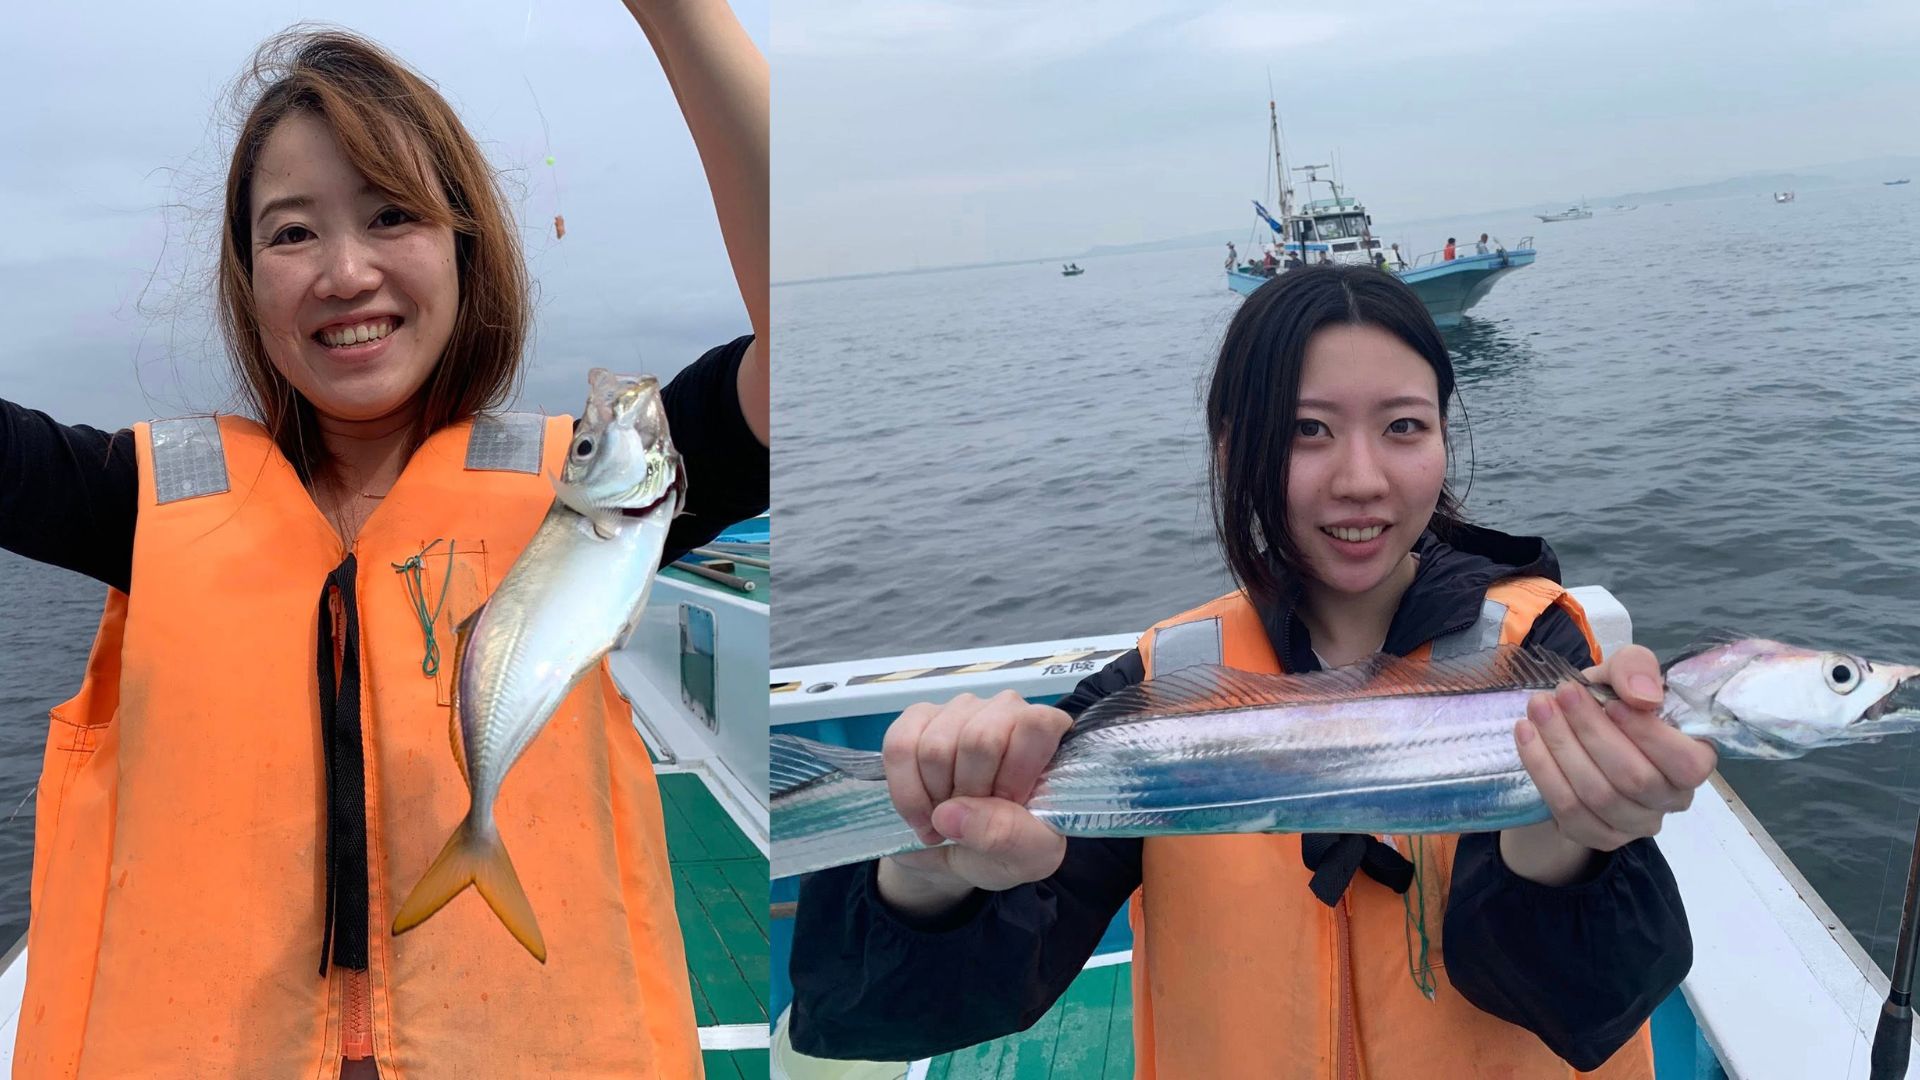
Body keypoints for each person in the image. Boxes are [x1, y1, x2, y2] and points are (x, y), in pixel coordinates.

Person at [3, 8, 768, 1078]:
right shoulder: (137, 498)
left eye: (391, 215)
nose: (345, 272)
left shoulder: (592, 489)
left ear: (465, 246)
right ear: (249, 276)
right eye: (292, 231)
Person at [788, 265, 1708, 1078]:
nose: (1362, 479)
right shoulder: (1152, 682)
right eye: (1308, 430)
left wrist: (1565, 849)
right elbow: (886, 1010)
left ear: (1443, 438)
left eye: (1403, 426)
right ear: (1235, 446)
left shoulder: (1543, 654)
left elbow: (1595, 1001)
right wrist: (926, 880)